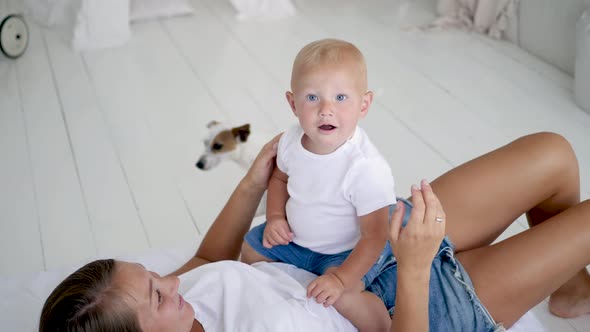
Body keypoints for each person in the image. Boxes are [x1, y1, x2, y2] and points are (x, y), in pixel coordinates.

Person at [39, 131, 590, 332]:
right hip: (413, 306)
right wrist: (417, 269)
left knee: (555, 157)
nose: (173, 283)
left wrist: (256, 182)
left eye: (156, 275)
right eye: (157, 295)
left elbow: (207, 262)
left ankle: (568, 289)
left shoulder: (180, 297)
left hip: (350, 252)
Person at [239, 38, 396, 331]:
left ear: (364, 105)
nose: (326, 109)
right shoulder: (291, 141)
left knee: (343, 296)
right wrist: (275, 217)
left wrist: (339, 278)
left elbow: (375, 236)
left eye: (340, 98)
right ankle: (296, 278)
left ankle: (380, 322)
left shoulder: (365, 167)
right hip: (297, 241)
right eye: (312, 97)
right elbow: (280, 177)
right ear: (292, 103)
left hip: (346, 250)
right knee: (251, 249)